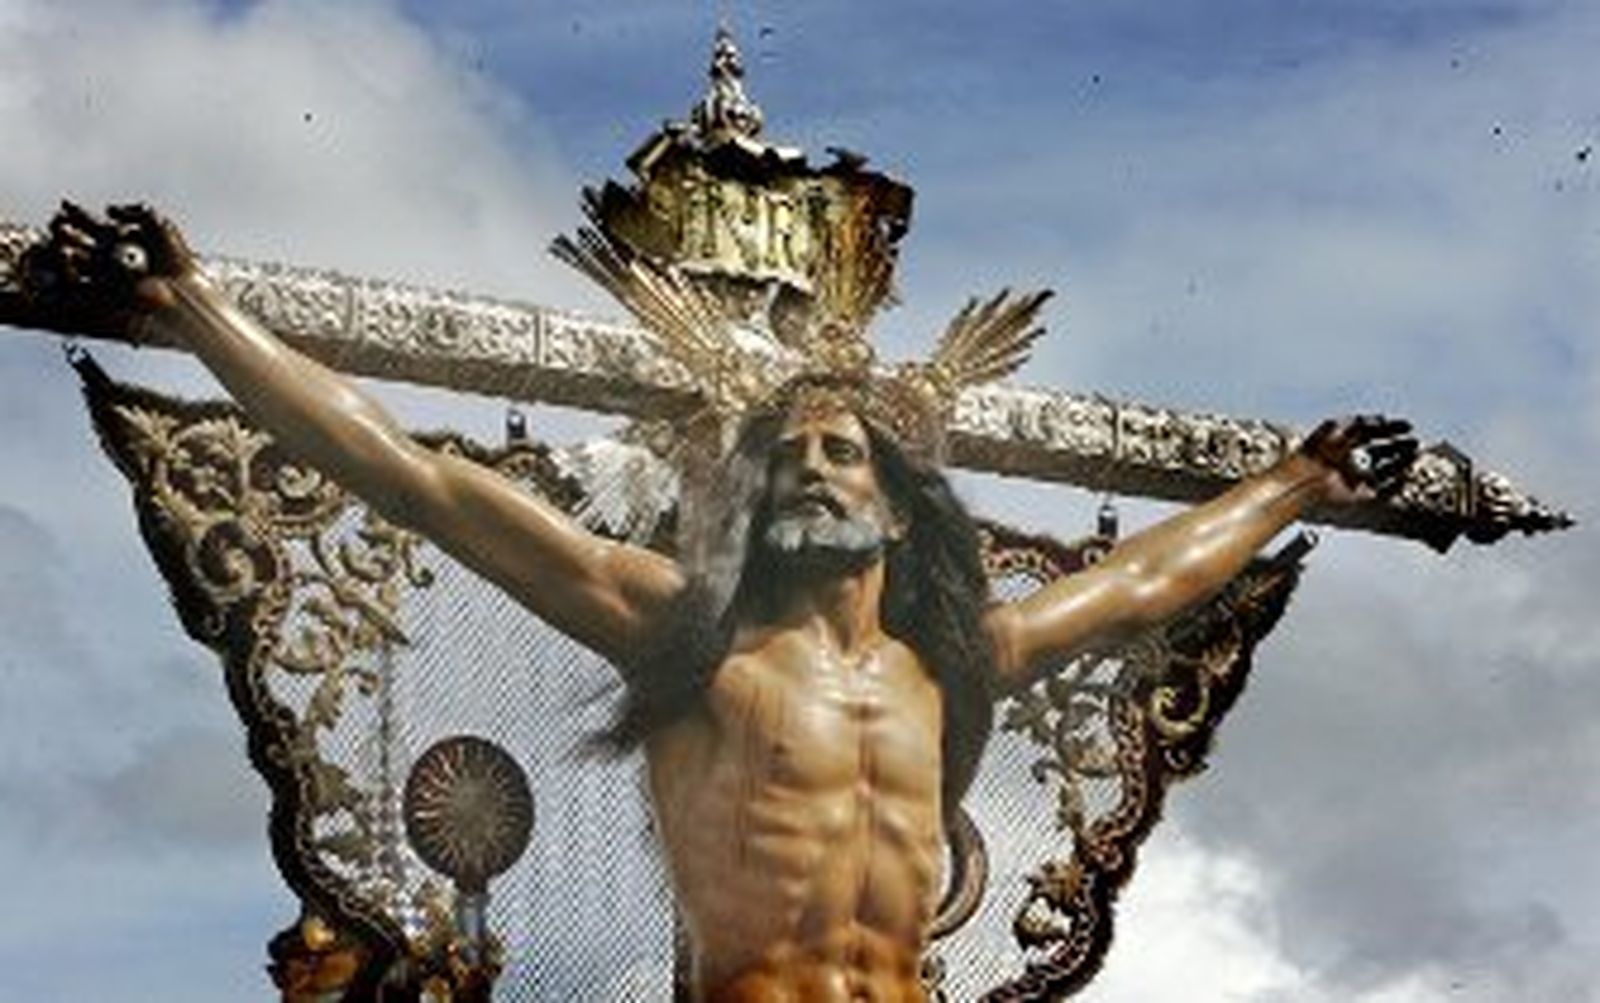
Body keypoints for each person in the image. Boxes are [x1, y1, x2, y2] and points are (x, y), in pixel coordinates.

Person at [21, 203, 1417, 1003]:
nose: (815, 469)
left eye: (843, 454)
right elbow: (412, 480)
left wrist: (1296, 482)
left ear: (893, 503)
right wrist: (198, 310)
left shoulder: (959, 661)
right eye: (790, 456)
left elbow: (1137, 585)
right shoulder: (677, 631)